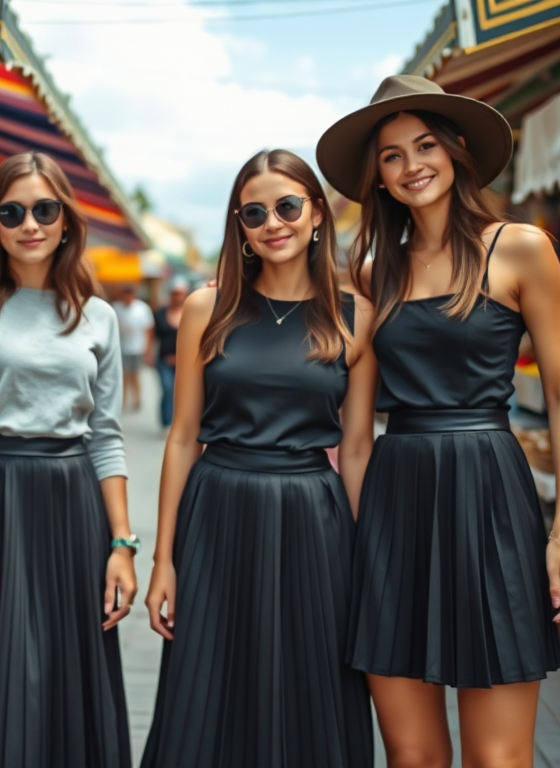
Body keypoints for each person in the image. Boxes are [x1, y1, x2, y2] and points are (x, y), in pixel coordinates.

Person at [317, 75, 560, 767]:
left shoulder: (521, 247)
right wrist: (357, 542)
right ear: (376, 177)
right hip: (394, 500)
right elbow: (354, 436)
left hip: (491, 492)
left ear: (458, 150)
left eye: (426, 144)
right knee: (412, 756)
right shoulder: (374, 275)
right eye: (391, 155)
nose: (412, 164)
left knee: (497, 759)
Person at [142, 149, 377, 768]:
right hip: (217, 511)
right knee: (209, 687)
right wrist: (163, 560)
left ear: (317, 214)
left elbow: (355, 449)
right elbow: (183, 437)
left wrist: (367, 557)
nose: (273, 222)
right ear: (239, 228)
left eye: (287, 206)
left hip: (314, 517)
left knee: (314, 684)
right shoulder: (206, 309)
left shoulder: (357, 319)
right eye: (254, 212)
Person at [0, 151, 137, 768]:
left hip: (73, 510)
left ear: (66, 220)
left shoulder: (97, 315)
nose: (30, 223)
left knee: (66, 686)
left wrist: (122, 546)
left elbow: (106, 433)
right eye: (12, 211)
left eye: (45, 209)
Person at [147, 277, 190, 429]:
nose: (177, 296)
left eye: (180, 293)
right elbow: (151, 335)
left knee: (184, 392)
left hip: (186, 361)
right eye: (174, 293)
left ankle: (181, 423)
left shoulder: (191, 313)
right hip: (164, 359)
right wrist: (148, 353)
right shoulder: (160, 313)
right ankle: (166, 422)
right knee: (167, 388)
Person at [112, 284, 154, 411]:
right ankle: (123, 400)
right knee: (123, 375)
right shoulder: (117, 308)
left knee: (135, 375)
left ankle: (137, 399)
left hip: (137, 347)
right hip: (122, 347)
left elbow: (148, 329)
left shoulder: (141, 308)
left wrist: (147, 348)